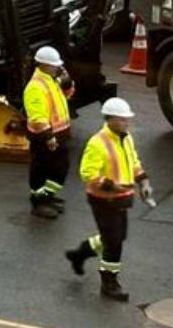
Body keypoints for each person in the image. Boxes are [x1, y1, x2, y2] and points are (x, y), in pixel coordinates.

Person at [66, 97, 153, 302]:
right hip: (103, 199)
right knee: (114, 242)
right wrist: (110, 185)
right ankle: (109, 282)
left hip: (122, 197)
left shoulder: (126, 137)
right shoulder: (98, 143)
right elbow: (88, 173)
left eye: (126, 119)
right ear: (110, 119)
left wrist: (144, 182)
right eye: (122, 119)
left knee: (116, 237)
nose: (126, 122)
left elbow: (133, 162)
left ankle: (80, 254)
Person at [23, 45, 74, 219]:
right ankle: (38, 203)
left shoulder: (51, 80)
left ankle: (47, 197)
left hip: (59, 135)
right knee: (41, 169)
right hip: (45, 138)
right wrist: (48, 136)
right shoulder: (36, 87)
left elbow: (65, 97)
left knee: (59, 168)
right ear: (44, 65)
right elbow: (37, 117)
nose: (58, 68)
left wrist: (67, 84)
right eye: (55, 65)